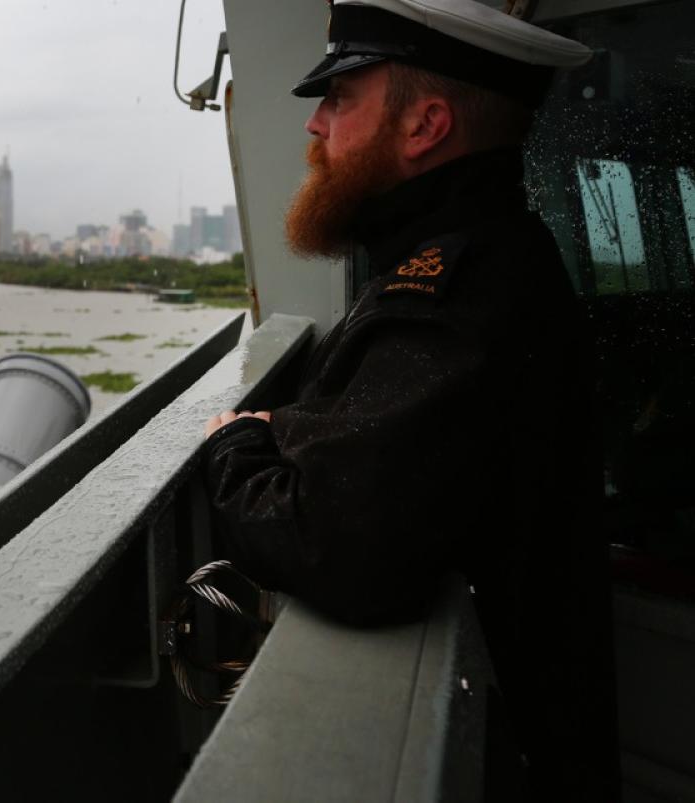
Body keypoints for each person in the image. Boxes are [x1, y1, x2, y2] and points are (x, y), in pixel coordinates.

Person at [196, 1, 614, 797]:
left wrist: (234, 446)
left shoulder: (452, 294)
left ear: (425, 126)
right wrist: (286, 422)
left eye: (340, 97)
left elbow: (333, 543)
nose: (316, 125)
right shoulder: (482, 257)